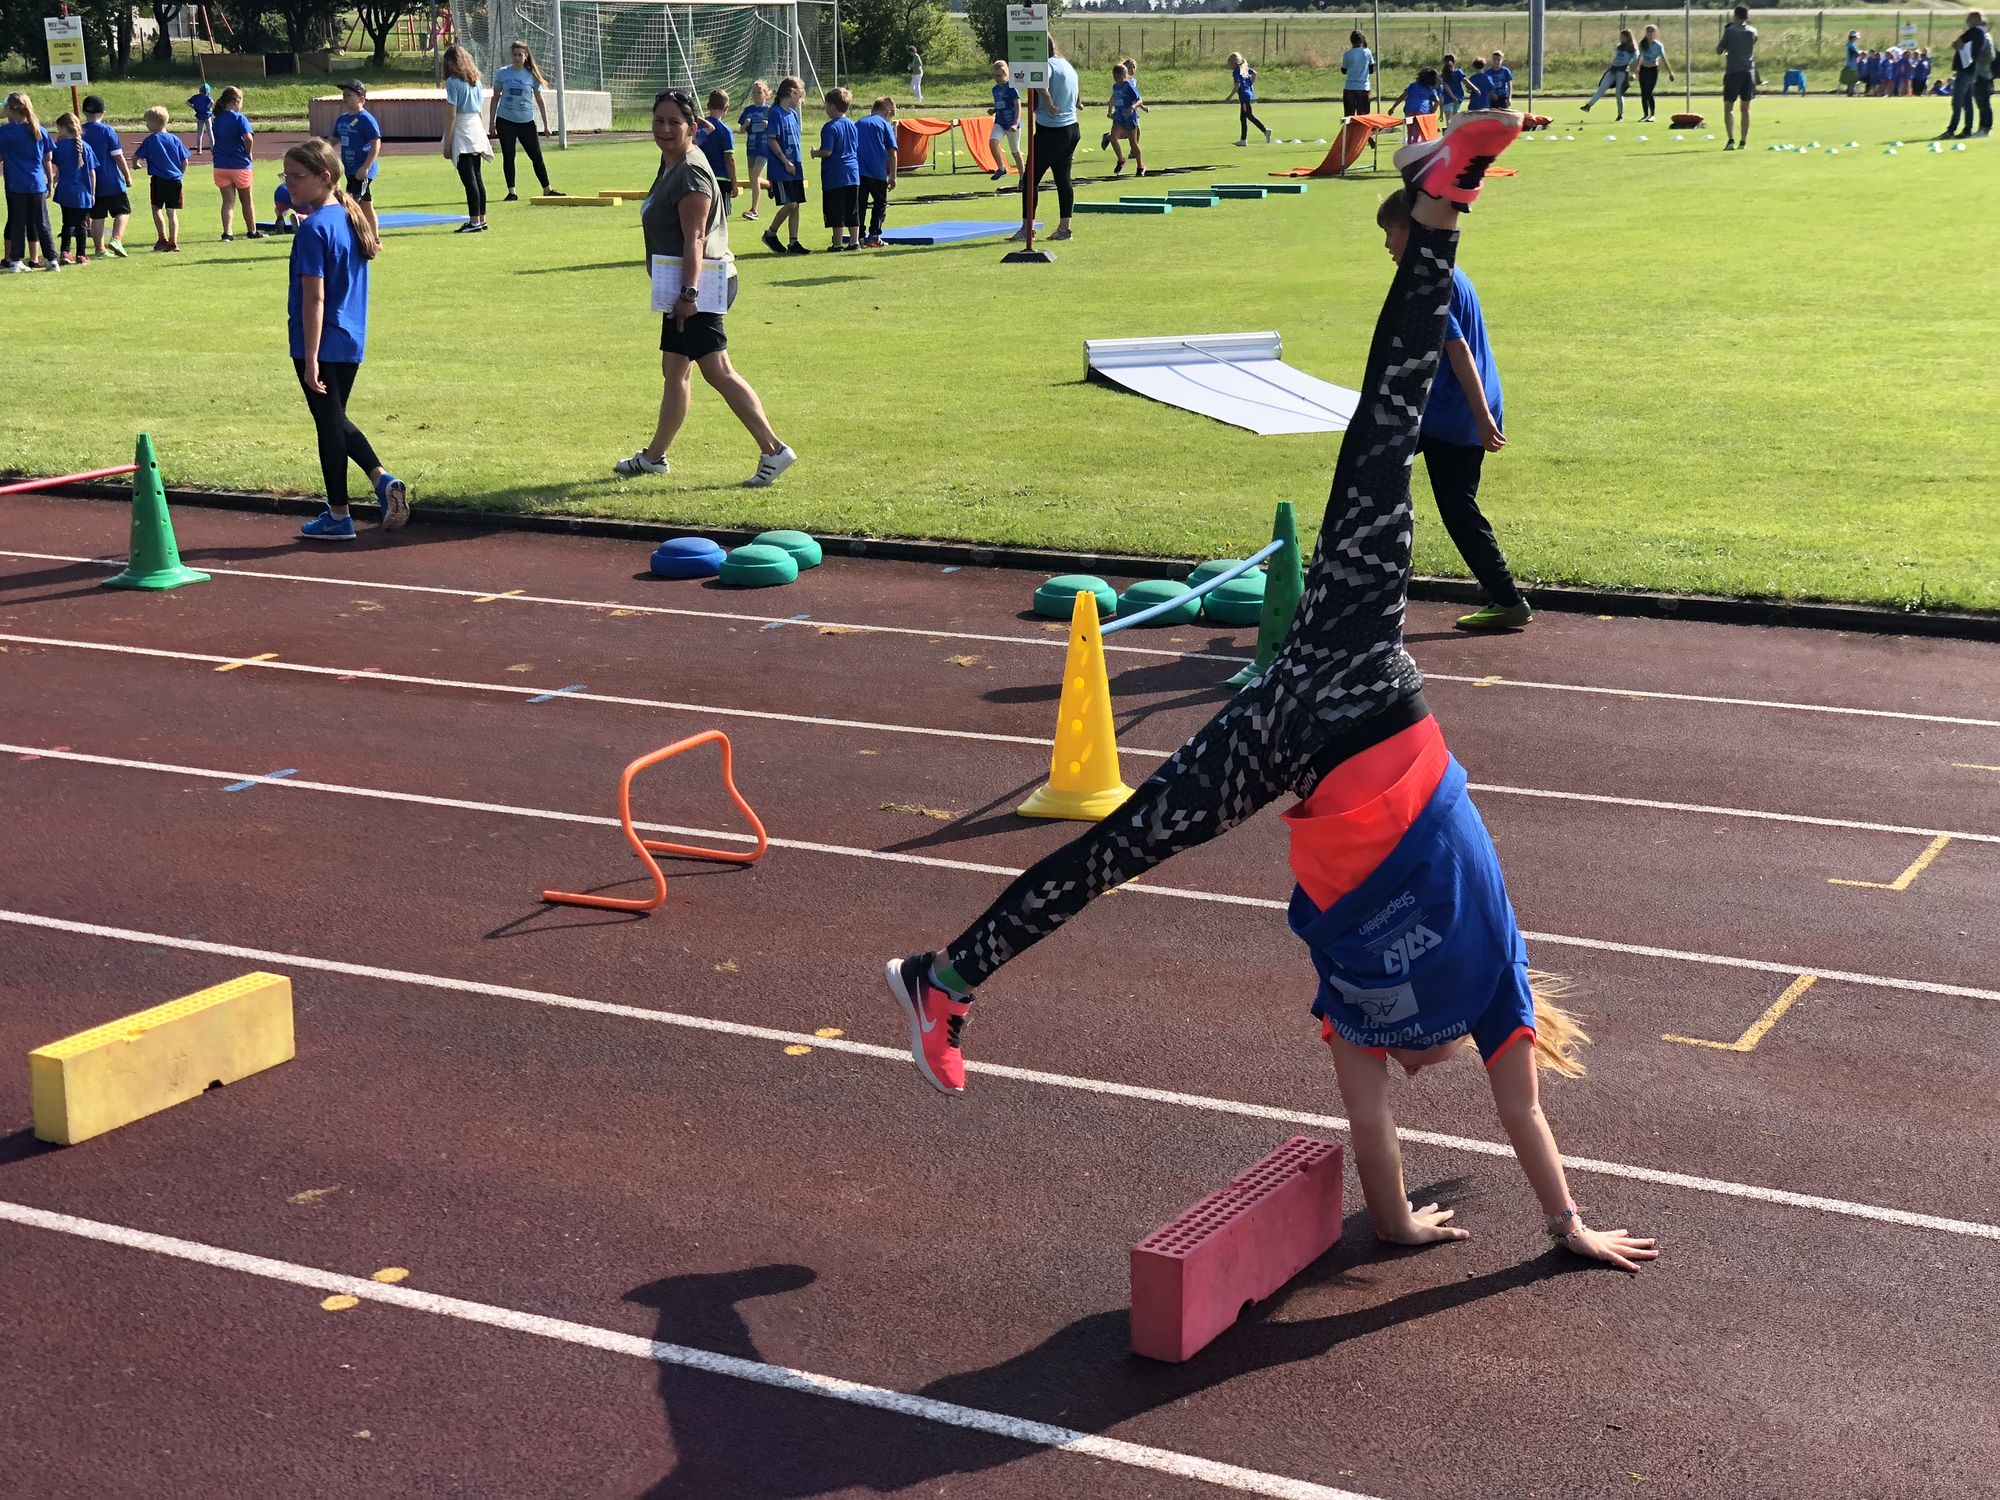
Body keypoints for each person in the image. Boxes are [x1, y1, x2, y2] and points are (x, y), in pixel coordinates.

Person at [877, 113, 1658, 1276]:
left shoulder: (1363, 1000)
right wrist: (1564, 1228)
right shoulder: (1492, 986)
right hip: (1359, 665)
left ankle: (943, 979)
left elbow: (1390, 1138)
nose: (1423, 1064)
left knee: (1125, 841)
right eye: (1434, 1060)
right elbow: (1518, 1112)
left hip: (1301, 724)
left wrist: (1411, 1224)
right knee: (1381, 433)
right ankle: (1440, 201)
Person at [615, 89, 796, 487]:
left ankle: (774, 449)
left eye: (674, 122)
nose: (664, 129)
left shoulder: (691, 173)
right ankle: (654, 458)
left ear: (692, 128)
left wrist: (688, 295)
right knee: (674, 370)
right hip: (683, 285)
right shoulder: (671, 163)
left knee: (718, 371)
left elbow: (694, 238)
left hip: (701, 287)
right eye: (658, 120)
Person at [1378, 191, 1531, 631]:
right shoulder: (1450, 272)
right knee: (1378, 474)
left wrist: (1481, 418)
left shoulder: (1428, 281)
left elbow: (1458, 349)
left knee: (1451, 506)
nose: (1387, 245)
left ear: (1415, 231)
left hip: (1455, 413)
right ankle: (1370, 576)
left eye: (1391, 232)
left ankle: (1508, 600)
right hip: (1454, 407)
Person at [282, 139, 409, 542]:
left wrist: (311, 357)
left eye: (297, 176)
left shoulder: (313, 229)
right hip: (351, 336)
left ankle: (343, 511)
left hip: (322, 340)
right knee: (333, 421)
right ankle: (368, 490)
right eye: (285, 176)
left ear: (324, 177)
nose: (289, 184)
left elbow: (314, 298)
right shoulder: (349, 219)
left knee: (330, 424)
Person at [1020, 38, 1079, 243]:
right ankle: (1064, 229)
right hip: (1071, 129)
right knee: (1063, 180)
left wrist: (1049, 102)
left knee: (1030, 179)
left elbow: (1039, 84)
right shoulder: (1066, 64)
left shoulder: (1046, 65)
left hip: (1052, 130)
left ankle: (1027, 229)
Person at [491, 40, 558, 200]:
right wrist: (491, 123)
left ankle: (547, 189)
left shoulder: (531, 75)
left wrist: (547, 125)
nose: (517, 58)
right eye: (514, 55)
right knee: (509, 156)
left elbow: (540, 101)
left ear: (526, 56)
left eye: (520, 55)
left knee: (536, 156)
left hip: (526, 122)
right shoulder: (503, 73)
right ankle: (512, 192)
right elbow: (495, 97)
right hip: (505, 120)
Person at [1, 93, 58, 273]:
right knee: (42, 223)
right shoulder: (40, 130)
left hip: (16, 184)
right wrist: (50, 181)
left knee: (17, 222)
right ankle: (51, 259)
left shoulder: (6, 132)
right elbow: (48, 158)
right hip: (37, 183)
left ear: (11, 109)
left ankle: (15, 260)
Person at [440, 44, 492, 230]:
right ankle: (481, 218)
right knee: (477, 176)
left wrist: (447, 142)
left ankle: (474, 221)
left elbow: (451, 114)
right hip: (475, 127)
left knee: (469, 179)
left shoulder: (453, 82)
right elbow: (480, 111)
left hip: (462, 128)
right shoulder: (475, 81)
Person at [758, 75, 807, 254]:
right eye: (800, 95)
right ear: (792, 93)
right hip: (782, 168)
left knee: (796, 205)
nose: (801, 100)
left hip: (795, 167)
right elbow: (773, 141)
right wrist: (786, 162)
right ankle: (770, 233)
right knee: (791, 203)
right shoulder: (776, 113)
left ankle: (793, 242)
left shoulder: (792, 114)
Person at [131, 105, 188, 253]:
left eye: (147, 122)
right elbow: (185, 160)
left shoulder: (151, 140)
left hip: (158, 180)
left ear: (154, 122)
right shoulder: (175, 139)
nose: (146, 125)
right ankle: (173, 241)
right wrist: (180, 175)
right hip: (175, 180)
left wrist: (136, 165)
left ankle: (162, 238)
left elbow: (135, 157)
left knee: (156, 208)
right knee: (172, 212)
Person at [80, 96, 130, 259]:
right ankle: (116, 239)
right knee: (123, 211)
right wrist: (127, 175)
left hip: (90, 182)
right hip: (111, 179)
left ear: (84, 111)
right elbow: (118, 156)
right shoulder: (107, 131)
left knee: (97, 216)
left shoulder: (79, 131)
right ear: (103, 112)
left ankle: (99, 249)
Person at [211, 86, 262, 241]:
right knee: (246, 200)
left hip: (220, 165)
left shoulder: (217, 119)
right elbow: (248, 138)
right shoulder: (239, 118)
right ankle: (252, 231)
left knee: (227, 201)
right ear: (236, 101)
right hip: (240, 164)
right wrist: (249, 152)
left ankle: (227, 232)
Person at [811, 87, 859, 251]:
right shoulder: (852, 125)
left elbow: (827, 151)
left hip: (835, 175)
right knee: (852, 209)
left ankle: (837, 244)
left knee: (836, 210)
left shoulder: (830, 127)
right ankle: (854, 242)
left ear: (832, 106)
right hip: (853, 173)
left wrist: (815, 153)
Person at [333, 81, 382, 240]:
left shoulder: (366, 119)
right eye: (344, 95)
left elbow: (376, 143)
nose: (345, 98)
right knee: (365, 204)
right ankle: (374, 239)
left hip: (362, 171)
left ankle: (360, 238)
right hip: (350, 169)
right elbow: (333, 140)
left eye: (349, 95)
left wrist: (366, 167)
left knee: (352, 204)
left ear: (361, 99)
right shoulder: (342, 120)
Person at [50, 113, 97, 267]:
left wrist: (53, 181)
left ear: (64, 128)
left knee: (67, 222)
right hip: (83, 192)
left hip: (65, 190)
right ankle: (81, 254)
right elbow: (92, 173)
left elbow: (58, 167)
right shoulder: (86, 147)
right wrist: (93, 193)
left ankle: (65, 251)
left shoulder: (59, 147)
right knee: (81, 224)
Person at [856, 95, 897, 247]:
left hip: (858, 171)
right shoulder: (885, 125)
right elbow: (892, 152)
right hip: (877, 171)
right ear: (887, 112)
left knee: (860, 204)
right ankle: (874, 235)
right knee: (880, 203)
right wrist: (893, 176)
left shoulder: (859, 122)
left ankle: (858, 237)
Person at [1716, 5, 1758, 150]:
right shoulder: (1753, 31)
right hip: (1748, 72)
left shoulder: (1730, 31)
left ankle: (1731, 140)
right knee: (1745, 109)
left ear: (1735, 15)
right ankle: (1743, 142)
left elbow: (1719, 50)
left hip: (1733, 72)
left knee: (1728, 108)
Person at [697, 89, 737, 220]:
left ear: (708, 106)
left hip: (702, 177)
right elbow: (729, 159)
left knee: (704, 216)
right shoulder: (725, 131)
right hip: (721, 178)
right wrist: (734, 182)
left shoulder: (698, 128)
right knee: (721, 218)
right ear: (726, 108)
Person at [1583, 30, 1640, 119]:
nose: (1621, 39)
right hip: (1613, 70)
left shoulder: (1633, 49)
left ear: (1628, 38)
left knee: (1618, 93)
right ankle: (1589, 105)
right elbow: (1615, 58)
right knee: (1602, 88)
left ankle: (1620, 114)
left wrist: (1633, 73)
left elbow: (1636, 61)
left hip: (1622, 71)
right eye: (1621, 37)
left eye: (1623, 37)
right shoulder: (1619, 47)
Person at [738, 80, 772, 219]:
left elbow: (777, 128)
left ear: (766, 95)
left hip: (765, 148)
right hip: (751, 147)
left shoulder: (770, 110)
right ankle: (770, 185)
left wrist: (768, 124)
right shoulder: (748, 110)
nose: (756, 95)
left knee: (755, 176)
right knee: (753, 179)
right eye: (753, 92)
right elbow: (741, 130)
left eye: (759, 92)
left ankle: (754, 210)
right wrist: (746, 124)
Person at [1225, 52, 1272, 145]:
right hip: (1247, 95)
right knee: (1243, 118)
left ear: (1233, 63)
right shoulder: (1243, 69)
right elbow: (1254, 73)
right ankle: (1243, 140)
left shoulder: (1236, 71)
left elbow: (1237, 85)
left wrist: (1230, 96)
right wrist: (1250, 84)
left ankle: (1265, 131)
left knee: (1249, 116)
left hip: (1244, 96)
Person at [1108, 63, 1146, 175]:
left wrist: (1132, 107)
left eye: (1118, 77)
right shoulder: (1115, 86)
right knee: (1113, 138)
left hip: (1129, 117)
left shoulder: (1128, 86)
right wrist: (1110, 111)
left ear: (1124, 75)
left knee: (1133, 143)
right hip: (1119, 117)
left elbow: (1139, 100)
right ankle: (1121, 159)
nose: (1116, 79)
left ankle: (1140, 165)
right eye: (1114, 76)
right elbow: (1114, 98)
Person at [989, 61, 1024, 177]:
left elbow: (1018, 106)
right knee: (993, 142)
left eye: (999, 76)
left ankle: (1022, 178)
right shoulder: (995, 89)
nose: (997, 79)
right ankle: (1001, 168)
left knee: (1015, 152)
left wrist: (1015, 123)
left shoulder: (1011, 88)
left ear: (1005, 74)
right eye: (995, 76)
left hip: (1011, 123)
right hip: (1000, 122)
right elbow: (1002, 104)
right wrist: (994, 110)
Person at [1392, 67, 1443, 142]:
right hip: (1422, 110)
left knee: (1410, 131)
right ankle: (1415, 144)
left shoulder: (1413, 86)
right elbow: (1437, 101)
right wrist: (1432, 111)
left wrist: (1393, 107)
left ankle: (1409, 143)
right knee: (1417, 132)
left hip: (1409, 110)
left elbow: (1402, 96)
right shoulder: (1430, 89)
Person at [1636, 26, 1675, 121]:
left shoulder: (1658, 45)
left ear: (1655, 33)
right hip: (1643, 69)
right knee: (1643, 92)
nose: (1649, 34)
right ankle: (1645, 114)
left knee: (1649, 92)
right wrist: (1636, 69)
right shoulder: (1642, 44)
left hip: (1653, 70)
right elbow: (1639, 57)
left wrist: (1670, 72)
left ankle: (1652, 115)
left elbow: (1664, 59)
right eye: (1648, 32)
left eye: (1651, 32)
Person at [1342, 32, 1376, 116]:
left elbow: (1344, 71)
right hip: (1364, 87)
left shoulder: (1347, 54)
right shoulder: (1367, 52)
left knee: (1349, 117)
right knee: (1363, 117)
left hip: (1350, 87)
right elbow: (1371, 70)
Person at [187, 80, 214, 154]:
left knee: (199, 133)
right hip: (207, 115)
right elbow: (212, 102)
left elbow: (187, 102)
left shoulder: (195, 97)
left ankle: (199, 150)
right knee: (210, 132)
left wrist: (193, 106)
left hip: (199, 116)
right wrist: (208, 107)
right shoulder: (207, 97)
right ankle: (213, 148)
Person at [1439, 54, 1468, 120]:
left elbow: (1445, 85)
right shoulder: (1458, 72)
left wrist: (1452, 96)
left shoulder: (1443, 74)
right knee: (1455, 120)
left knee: (1449, 120)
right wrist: (1473, 88)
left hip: (1447, 98)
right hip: (1458, 97)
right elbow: (1465, 81)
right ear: (1455, 62)